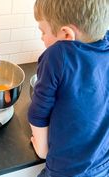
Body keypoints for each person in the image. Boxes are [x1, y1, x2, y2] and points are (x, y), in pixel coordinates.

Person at [28, 0, 109, 176]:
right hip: (102, 165)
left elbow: (38, 113)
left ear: (66, 35)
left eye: (43, 31)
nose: (41, 37)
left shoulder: (57, 54)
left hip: (67, 170)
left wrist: (42, 150)